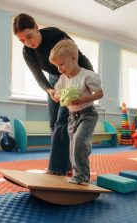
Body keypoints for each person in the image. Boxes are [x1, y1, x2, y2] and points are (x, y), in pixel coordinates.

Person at [13, 13, 94, 176]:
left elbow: (75, 63)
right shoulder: (27, 52)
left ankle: (56, 169)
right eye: (22, 40)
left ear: (36, 27)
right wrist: (50, 91)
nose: (28, 43)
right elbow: (39, 76)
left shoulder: (56, 36)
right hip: (54, 77)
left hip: (76, 72)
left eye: (29, 36)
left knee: (63, 121)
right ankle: (66, 166)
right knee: (53, 122)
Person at [49, 39, 103, 184]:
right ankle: (77, 172)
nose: (59, 69)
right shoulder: (63, 78)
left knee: (80, 141)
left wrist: (84, 99)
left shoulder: (87, 75)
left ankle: (82, 176)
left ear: (73, 58)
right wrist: (58, 96)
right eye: (56, 66)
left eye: (62, 64)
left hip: (88, 114)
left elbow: (99, 93)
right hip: (72, 117)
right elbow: (56, 94)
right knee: (73, 147)